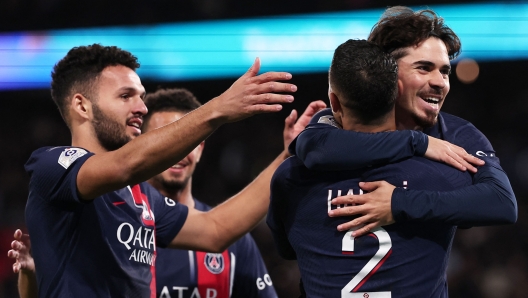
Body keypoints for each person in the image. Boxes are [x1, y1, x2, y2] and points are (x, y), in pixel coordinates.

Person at [19, 43, 311, 298]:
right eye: (125, 96)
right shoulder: (52, 166)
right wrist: (217, 109)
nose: (141, 108)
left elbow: (216, 230)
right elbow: (124, 166)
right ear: (82, 106)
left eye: (141, 96)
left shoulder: (141, 197)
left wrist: (286, 156)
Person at [268, 39, 474, 297]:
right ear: (397, 92)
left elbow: (286, 251)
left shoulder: (290, 178)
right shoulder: (442, 173)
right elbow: (494, 204)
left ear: (334, 102)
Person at [292, 6, 517, 237]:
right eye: (424, 68)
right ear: (387, 72)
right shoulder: (340, 119)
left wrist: (399, 203)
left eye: (445, 71)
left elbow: (502, 202)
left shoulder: (459, 134)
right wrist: (418, 142)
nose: (440, 82)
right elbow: (313, 148)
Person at [143, 88, 279, 297]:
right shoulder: (124, 227)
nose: (177, 153)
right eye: (167, 144)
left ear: (200, 148)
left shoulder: (234, 238)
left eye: (186, 142)